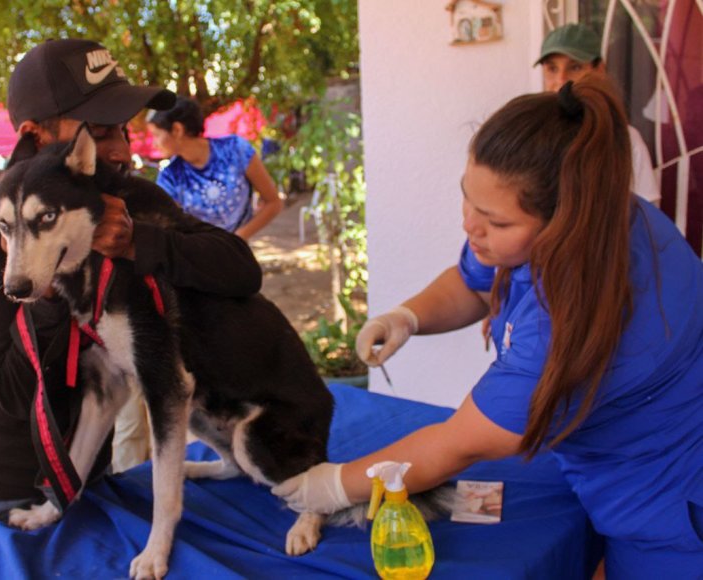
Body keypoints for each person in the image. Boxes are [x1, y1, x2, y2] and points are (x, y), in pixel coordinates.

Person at [272, 77, 703, 577]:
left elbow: (461, 443)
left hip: (672, 503)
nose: (470, 227)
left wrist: (329, 486)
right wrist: (407, 316)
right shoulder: (608, 212)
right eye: (467, 200)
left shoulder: (568, 317)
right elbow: (475, 282)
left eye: (496, 223)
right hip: (619, 465)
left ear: (564, 226)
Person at [0, 38, 262, 539]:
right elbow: (11, 391)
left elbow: (241, 271)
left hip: (93, 471)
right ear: (35, 135)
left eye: (124, 130)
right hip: (3, 486)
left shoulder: (129, 202)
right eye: (99, 130)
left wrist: (142, 242)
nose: (119, 149)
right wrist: (42, 283)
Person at [536, 23, 661, 206]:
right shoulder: (533, 134)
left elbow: (647, 213)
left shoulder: (624, 140)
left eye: (575, 67)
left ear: (599, 70)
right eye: (552, 69)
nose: (561, 80)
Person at [146, 97, 283, 240]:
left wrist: (236, 240)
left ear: (177, 130)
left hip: (238, 253)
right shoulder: (169, 177)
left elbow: (274, 203)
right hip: (200, 256)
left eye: (156, 135)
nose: (154, 144)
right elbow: (170, 228)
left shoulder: (235, 149)